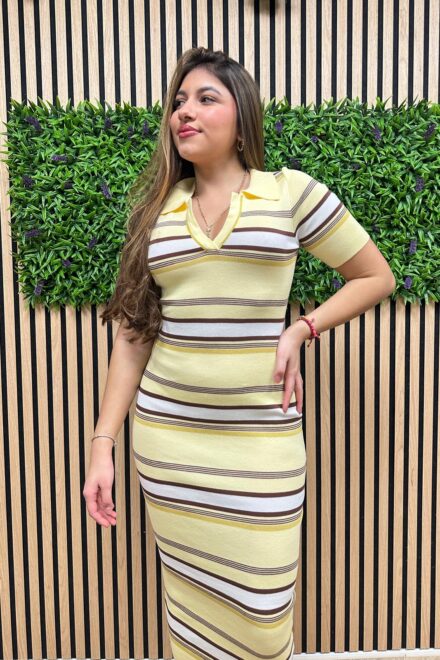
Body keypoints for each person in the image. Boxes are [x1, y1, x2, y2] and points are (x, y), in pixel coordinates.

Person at [83, 46, 395, 659]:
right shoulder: (157, 211)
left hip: (261, 444)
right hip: (170, 443)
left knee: (263, 612)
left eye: (206, 98)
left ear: (243, 117)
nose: (185, 112)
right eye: (178, 101)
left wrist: (301, 329)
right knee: (189, 613)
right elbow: (133, 334)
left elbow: (374, 276)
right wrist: (103, 444)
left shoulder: (290, 194)